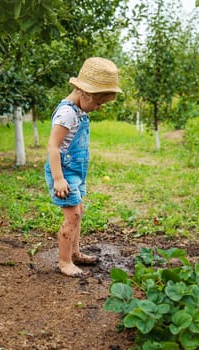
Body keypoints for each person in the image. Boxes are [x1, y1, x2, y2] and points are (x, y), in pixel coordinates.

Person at [45, 57, 122, 277]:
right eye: (97, 103)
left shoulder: (80, 110)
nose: (98, 108)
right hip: (64, 171)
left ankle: (75, 252)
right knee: (72, 217)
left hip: (75, 172)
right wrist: (59, 179)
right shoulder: (67, 112)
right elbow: (53, 146)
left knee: (78, 212)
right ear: (84, 93)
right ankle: (64, 262)